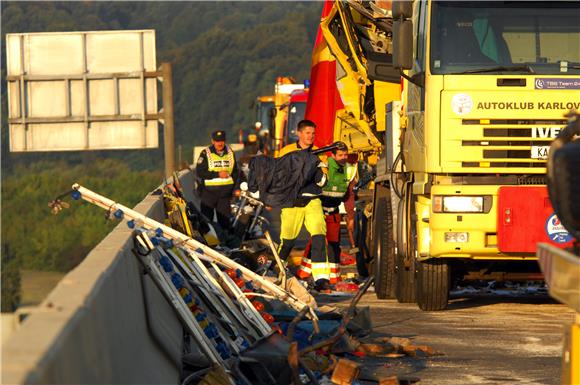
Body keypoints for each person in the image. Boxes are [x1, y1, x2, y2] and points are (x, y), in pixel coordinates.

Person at [276, 120, 328, 283]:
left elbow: (323, 180)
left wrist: (320, 174)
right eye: (307, 133)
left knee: (319, 234)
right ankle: (277, 271)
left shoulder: (321, 153)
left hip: (313, 201)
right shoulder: (286, 151)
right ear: (298, 133)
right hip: (292, 202)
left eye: (313, 133)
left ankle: (321, 278)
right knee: (288, 241)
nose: (311, 136)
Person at [298, 141, 357, 284]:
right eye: (340, 155)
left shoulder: (349, 170)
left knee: (333, 244)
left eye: (345, 155)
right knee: (317, 242)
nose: (343, 158)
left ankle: (334, 278)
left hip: (334, 211)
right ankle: (304, 275)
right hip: (319, 209)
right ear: (333, 155)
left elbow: (349, 195)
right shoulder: (324, 167)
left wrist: (350, 215)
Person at [195, 130, 239, 231]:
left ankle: (225, 244)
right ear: (212, 141)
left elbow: (235, 172)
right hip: (209, 194)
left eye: (222, 141)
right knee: (206, 223)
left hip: (225, 195)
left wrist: (235, 188)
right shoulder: (205, 153)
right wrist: (217, 174)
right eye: (217, 141)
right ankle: (208, 244)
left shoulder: (230, 152)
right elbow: (200, 172)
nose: (220, 143)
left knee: (225, 223)